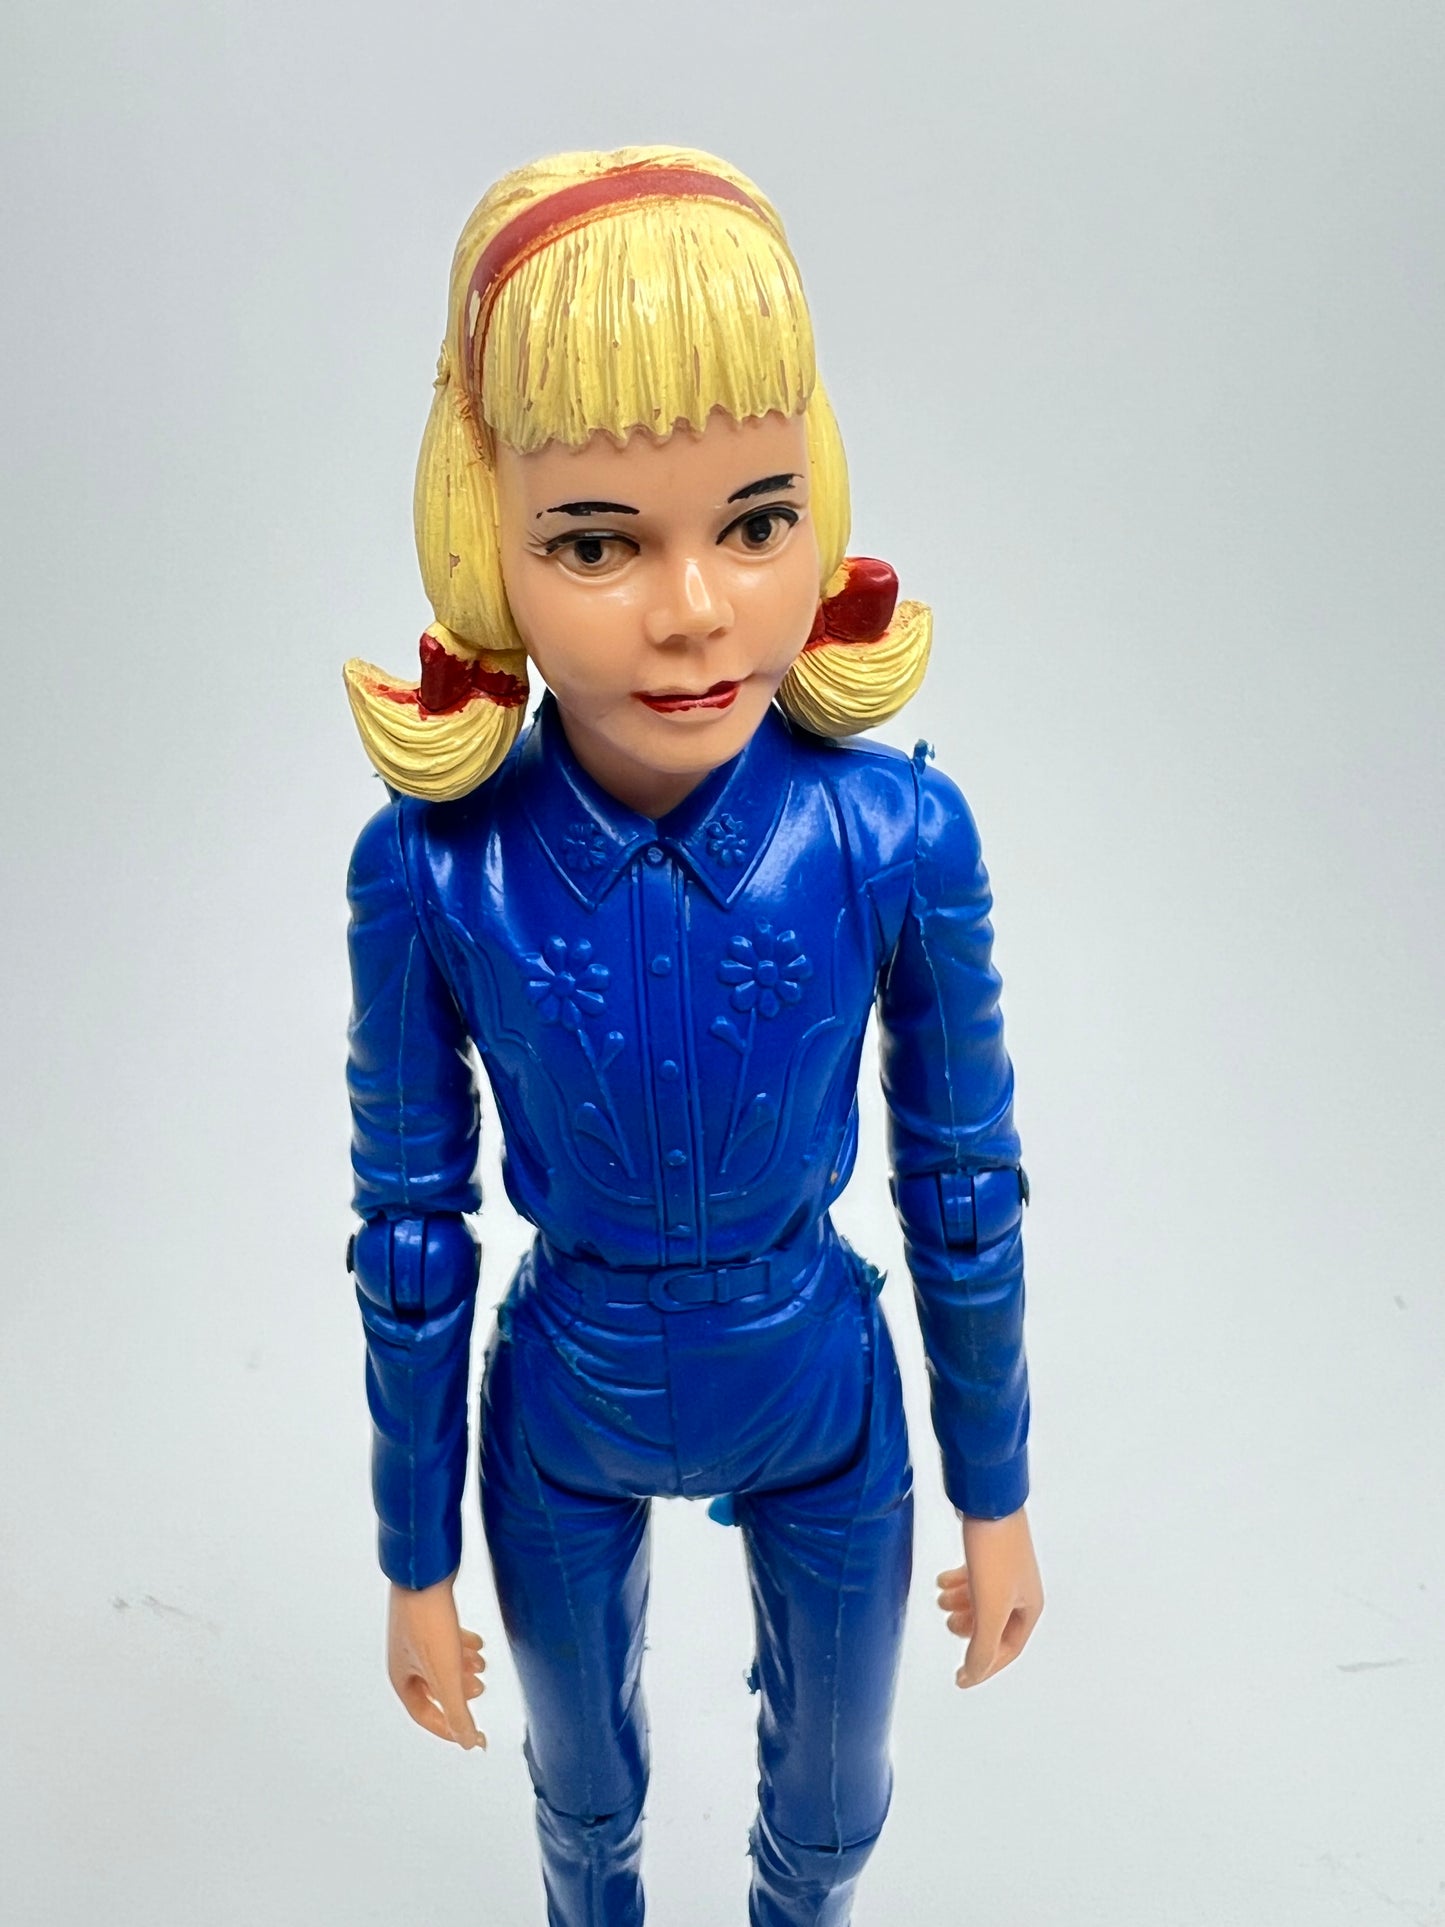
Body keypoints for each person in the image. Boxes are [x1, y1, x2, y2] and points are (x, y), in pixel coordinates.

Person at [343, 145, 1043, 1927]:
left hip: (815, 1383)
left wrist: (997, 1492)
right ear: (484, 539)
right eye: (594, 541)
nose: (693, 610)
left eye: (754, 519)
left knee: (835, 1808)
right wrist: (415, 1556)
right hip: (564, 1400)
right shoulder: (432, 872)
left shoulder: (894, 838)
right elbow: (410, 1232)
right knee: (580, 1808)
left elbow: (961, 1181)